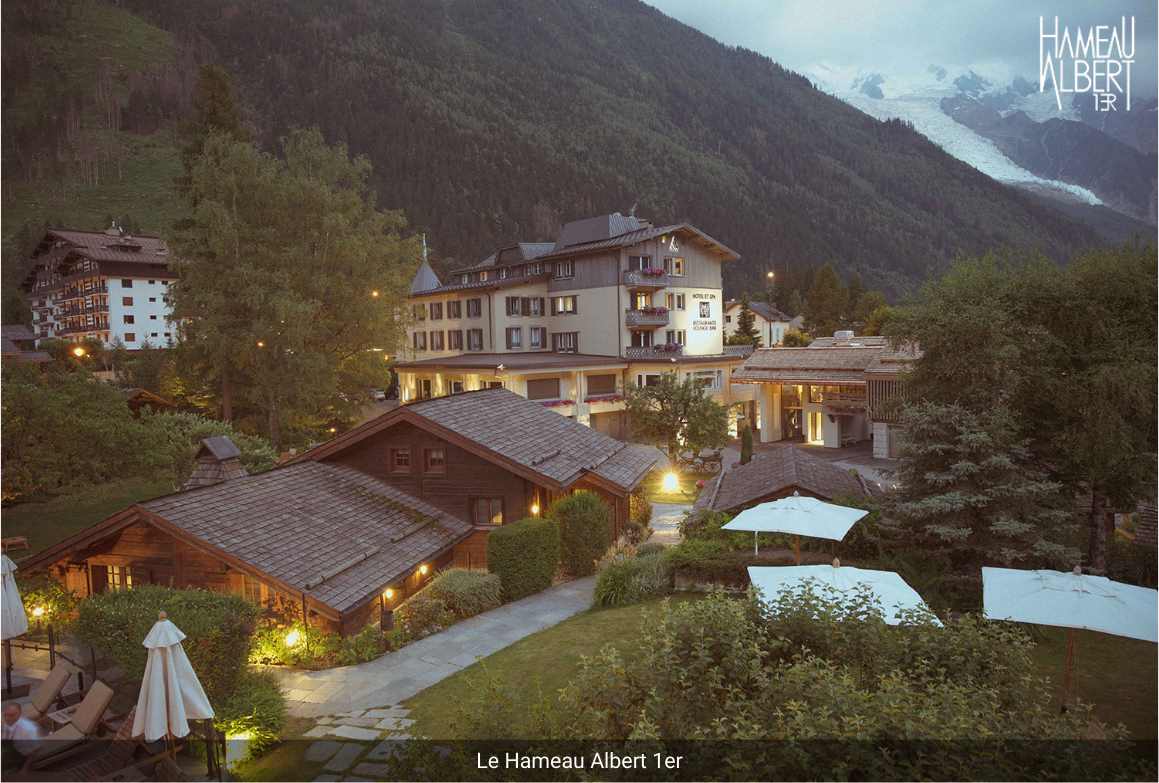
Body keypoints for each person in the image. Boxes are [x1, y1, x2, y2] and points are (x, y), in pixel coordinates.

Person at [2, 702, 41, 769]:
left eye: (11, 715)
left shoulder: (28, 730)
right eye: (5, 715)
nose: (7, 718)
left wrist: (24, 770)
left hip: (20, 756)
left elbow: (34, 752)